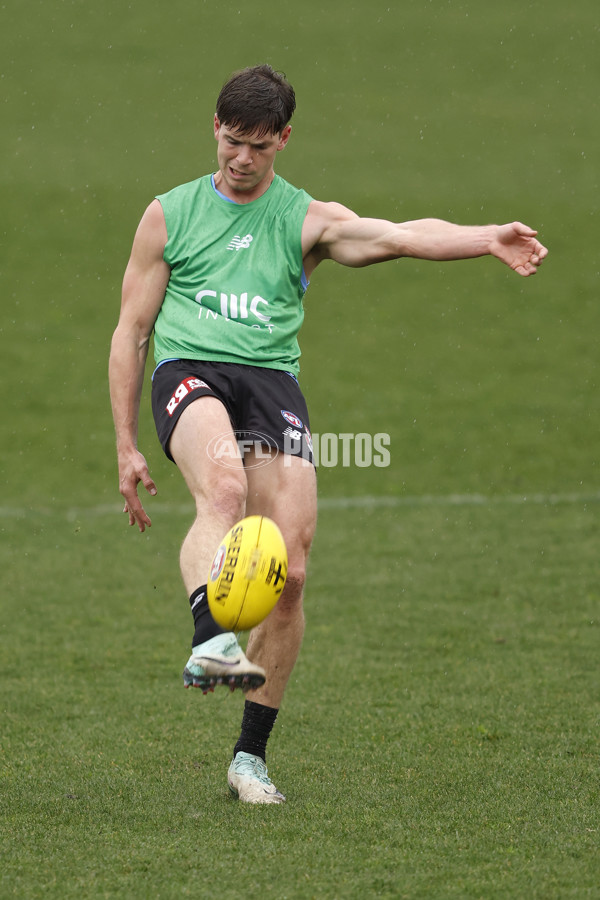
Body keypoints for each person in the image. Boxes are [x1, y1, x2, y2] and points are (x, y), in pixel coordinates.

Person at [109, 64, 547, 804]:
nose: (241, 160)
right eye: (230, 142)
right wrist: (125, 442)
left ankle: (249, 759)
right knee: (223, 484)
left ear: (283, 139)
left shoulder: (306, 219)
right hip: (189, 370)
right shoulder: (169, 215)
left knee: (293, 571)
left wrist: (486, 237)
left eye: (258, 146)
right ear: (213, 128)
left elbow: (402, 235)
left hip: (271, 383)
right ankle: (209, 640)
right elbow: (132, 330)